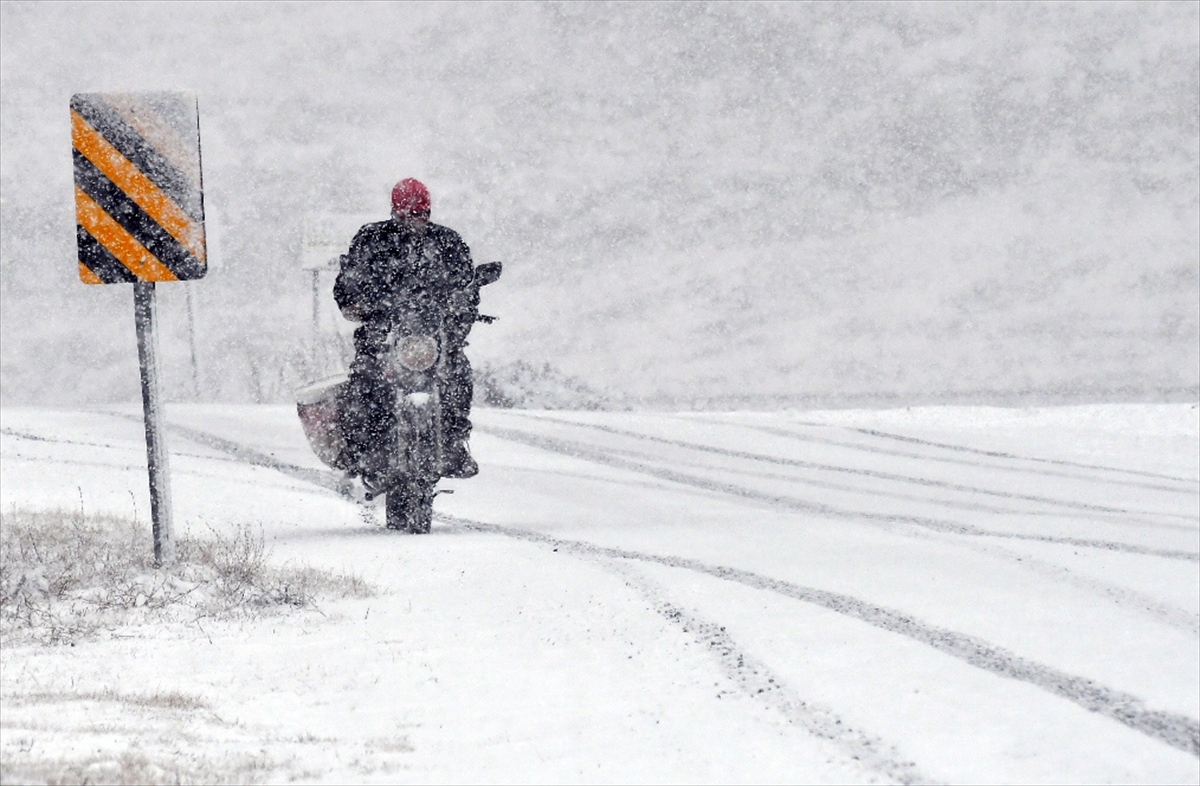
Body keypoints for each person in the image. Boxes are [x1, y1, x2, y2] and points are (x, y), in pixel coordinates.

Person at [334, 178, 479, 482]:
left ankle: (455, 442)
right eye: (409, 213)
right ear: (395, 211)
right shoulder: (372, 239)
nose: (417, 220)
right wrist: (358, 303)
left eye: (422, 212)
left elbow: (467, 287)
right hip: (382, 336)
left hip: (433, 338)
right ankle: (358, 447)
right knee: (363, 379)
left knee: (459, 374)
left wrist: (462, 314)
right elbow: (348, 281)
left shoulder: (447, 242)